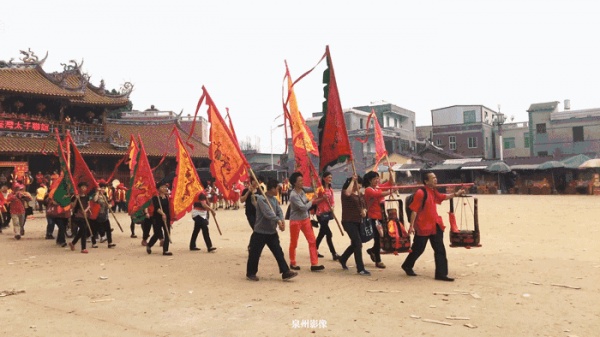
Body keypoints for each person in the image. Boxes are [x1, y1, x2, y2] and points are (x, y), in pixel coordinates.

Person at [401, 171, 465, 282]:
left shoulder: (433, 191)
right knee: (418, 249)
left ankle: (441, 274)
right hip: (422, 226)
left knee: (440, 249)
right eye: (433, 178)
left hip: (435, 225)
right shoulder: (421, 193)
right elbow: (414, 211)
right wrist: (411, 226)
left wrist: (456, 194)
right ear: (426, 181)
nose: (435, 179)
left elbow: (443, 197)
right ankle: (407, 265)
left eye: (435, 177)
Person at [246, 179, 298, 282]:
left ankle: (285, 272)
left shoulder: (274, 200)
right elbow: (267, 213)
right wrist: (277, 220)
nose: (278, 191)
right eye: (277, 189)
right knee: (255, 254)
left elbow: (279, 211)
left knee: (279, 252)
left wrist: (282, 221)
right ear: (272, 188)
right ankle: (251, 273)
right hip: (260, 232)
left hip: (271, 232)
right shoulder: (261, 199)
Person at [288, 172, 325, 271]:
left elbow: (313, 188)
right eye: (299, 181)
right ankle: (292, 262)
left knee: (312, 241)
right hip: (295, 221)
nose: (302, 182)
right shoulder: (293, 195)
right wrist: (312, 200)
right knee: (294, 243)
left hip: (305, 220)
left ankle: (314, 264)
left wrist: (313, 178)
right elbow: (303, 207)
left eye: (302, 180)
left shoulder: (303, 189)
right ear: (294, 183)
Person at [362, 170, 396, 269]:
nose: (377, 180)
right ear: (369, 180)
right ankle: (378, 260)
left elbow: (390, 183)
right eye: (375, 179)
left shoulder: (377, 187)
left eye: (377, 178)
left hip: (381, 217)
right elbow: (379, 195)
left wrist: (391, 173)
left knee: (382, 238)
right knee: (378, 238)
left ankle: (372, 251)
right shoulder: (368, 190)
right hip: (374, 218)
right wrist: (390, 191)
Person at [338, 175, 370, 275]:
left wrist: (364, 211)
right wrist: (352, 180)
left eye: (360, 187)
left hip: (358, 221)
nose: (358, 188)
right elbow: (348, 193)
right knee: (358, 243)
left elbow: (365, 206)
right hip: (348, 221)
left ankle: (343, 258)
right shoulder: (345, 193)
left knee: (355, 243)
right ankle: (360, 268)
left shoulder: (359, 195)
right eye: (357, 186)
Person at [315, 171, 340, 261]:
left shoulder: (330, 189)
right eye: (328, 177)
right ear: (324, 178)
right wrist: (322, 198)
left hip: (327, 214)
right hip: (320, 214)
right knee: (329, 233)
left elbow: (332, 201)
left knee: (322, 233)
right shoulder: (319, 189)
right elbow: (314, 201)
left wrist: (332, 208)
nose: (330, 179)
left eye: (331, 178)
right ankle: (334, 253)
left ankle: (314, 250)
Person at [146, 182, 172, 256]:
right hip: (157, 217)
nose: (164, 188)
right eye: (162, 187)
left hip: (166, 217)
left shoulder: (167, 197)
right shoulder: (155, 197)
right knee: (157, 234)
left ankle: (165, 250)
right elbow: (157, 208)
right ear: (159, 189)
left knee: (167, 233)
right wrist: (162, 214)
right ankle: (149, 245)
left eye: (165, 187)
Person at [68, 182, 91, 253]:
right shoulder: (74, 197)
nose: (84, 188)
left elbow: (89, 205)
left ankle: (73, 243)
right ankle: (83, 248)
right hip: (77, 216)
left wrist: (85, 210)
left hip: (85, 216)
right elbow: (73, 206)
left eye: (85, 187)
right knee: (83, 230)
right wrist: (76, 199)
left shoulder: (87, 197)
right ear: (79, 188)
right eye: (82, 187)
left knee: (82, 230)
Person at [91, 184, 116, 248]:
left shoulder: (105, 196)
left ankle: (110, 243)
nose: (103, 189)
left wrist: (109, 206)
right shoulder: (96, 195)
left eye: (104, 188)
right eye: (102, 188)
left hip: (104, 215)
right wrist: (97, 192)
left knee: (108, 229)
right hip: (97, 215)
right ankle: (93, 243)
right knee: (94, 230)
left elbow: (107, 204)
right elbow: (94, 200)